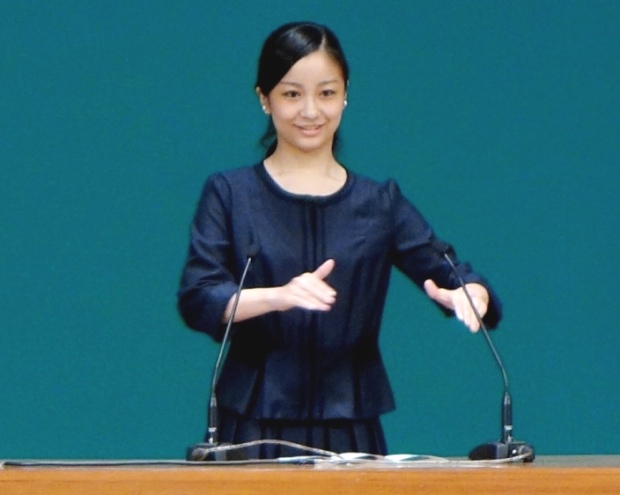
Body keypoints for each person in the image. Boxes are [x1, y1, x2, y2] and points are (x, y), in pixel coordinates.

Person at [177, 21, 501, 459]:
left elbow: (449, 270)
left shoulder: (379, 202)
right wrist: (278, 296)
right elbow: (199, 296)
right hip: (252, 422)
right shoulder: (231, 195)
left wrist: (472, 294)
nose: (311, 111)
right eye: (292, 94)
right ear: (264, 99)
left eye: (326, 93)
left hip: (351, 424)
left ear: (345, 95)